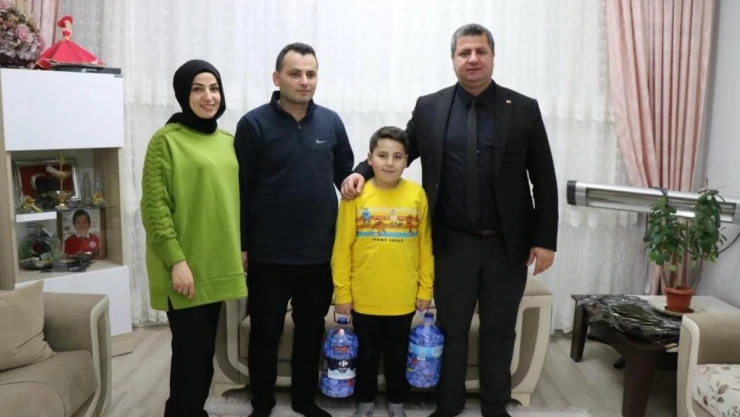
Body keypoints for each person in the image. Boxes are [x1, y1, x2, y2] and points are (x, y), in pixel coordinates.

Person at [341, 24, 559, 417]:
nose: (473, 59)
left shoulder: (523, 108)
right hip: (452, 242)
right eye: (464, 52)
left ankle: (495, 406)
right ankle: (449, 404)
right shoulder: (430, 107)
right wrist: (360, 171)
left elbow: (543, 177)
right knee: (452, 329)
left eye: (480, 51)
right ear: (453, 59)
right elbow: (398, 149)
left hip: (507, 244)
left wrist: (545, 240)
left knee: (499, 329)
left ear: (493, 57)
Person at [234, 42, 354, 417]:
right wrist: (242, 245)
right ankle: (262, 403)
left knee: (310, 330)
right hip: (269, 254)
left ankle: (304, 400)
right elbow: (240, 190)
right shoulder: (253, 124)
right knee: (265, 331)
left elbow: (347, 178)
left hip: (319, 253)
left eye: (311, 74)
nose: (304, 81)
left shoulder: (331, 123)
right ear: (277, 77)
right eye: (295, 73)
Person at [140, 59, 247, 417]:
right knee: (190, 356)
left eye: (214, 88)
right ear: (183, 94)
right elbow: (155, 208)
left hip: (216, 264)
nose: (208, 96)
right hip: (184, 268)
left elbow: (234, 201)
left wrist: (242, 247)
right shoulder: (165, 141)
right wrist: (176, 261)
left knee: (203, 356)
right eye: (198, 89)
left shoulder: (228, 141)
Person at [331, 126, 434, 417]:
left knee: (398, 355)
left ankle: (396, 404)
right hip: (364, 298)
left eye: (397, 156)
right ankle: (365, 404)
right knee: (367, 355)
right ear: (370, 158)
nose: (390, 162)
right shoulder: (355, 196)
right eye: (383, 155)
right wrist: (342, 293)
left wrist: (425, 289)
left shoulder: (416, 194)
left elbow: (425, 247)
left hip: (403, 298)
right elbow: (342, 249)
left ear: (406, 160)